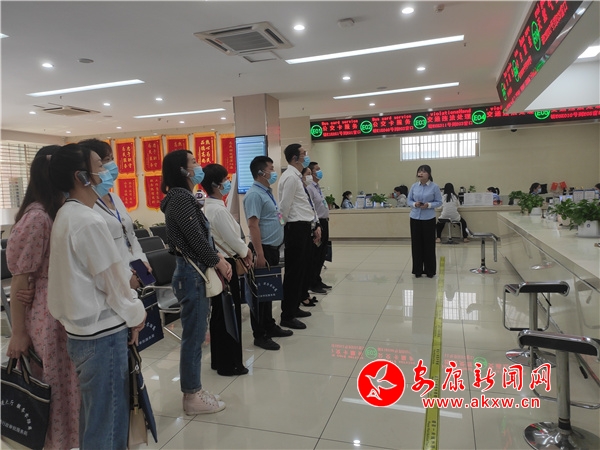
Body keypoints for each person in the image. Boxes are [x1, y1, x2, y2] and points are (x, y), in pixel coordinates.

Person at [47, 143, 146, 449]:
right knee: (108, 425)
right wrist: (136, 314)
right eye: (100, 166)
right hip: (102, 336)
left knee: (96, 419)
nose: (107, 171)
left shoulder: (69, 214)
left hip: (83, 334)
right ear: (81, 176)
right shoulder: (87, 220)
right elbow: (112, 283)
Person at [5, 145, 80, 450]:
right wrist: (19, 333)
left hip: (61, 307)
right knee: (54, 387)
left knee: (66, 386)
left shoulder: (60, 210)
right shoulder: (38, 217)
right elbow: (20, 278)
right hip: (47, 316)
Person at [160, 149, 230, 414]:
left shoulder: (183, 197)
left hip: (194, 271)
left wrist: (216, 256)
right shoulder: (180, 198)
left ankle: (195, 390)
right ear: (182, 170)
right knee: (194, 337)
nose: (199, 166)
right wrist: (218, 261)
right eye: (194, 162)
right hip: (191, 274)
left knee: (197, 334)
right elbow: (196, 240)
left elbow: (200, 237)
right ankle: (192, 396)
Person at [200, 163, 252, 375]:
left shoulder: (207, 207)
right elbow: (233, 238)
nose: (228, 183)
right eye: (225, 180)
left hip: (218, 263)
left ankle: (219, 360)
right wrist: (246, 252)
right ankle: (229, 364)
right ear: (216, 185)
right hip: (227, 264)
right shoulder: (218, 210)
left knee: (220, 314)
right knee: (229, 313)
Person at [79, 139, 151, 277]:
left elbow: (130, 235)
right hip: (115, 275)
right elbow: (99, 253)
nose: (112, 164)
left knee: (148, 288)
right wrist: (126, 275)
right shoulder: (87, 205)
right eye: (105, 160)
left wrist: (142, 261)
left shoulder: (115, 198)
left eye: (112, 158)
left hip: (135, 265)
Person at [243, 156, 294, 350]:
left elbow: (275, 216)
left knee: (269, 292)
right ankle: (260, 335)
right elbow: (252, 225)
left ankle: (270, 326)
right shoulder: (254, 195)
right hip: (262, 250)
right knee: (260, 295)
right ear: (260, 172)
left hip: (272, 249)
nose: (273, 172)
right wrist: (259, 253)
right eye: (271, 169)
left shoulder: (267, 192)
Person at [278, 143, 321, 329]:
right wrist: (284, 228)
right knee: (293, 273)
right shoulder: (290, 177)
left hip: (303, 227)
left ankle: (294, 307)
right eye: (304, 153)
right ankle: (287, 315)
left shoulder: (296, 177)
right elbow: (283, 207)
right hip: (295, 228)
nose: (306, 156)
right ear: (295, 158)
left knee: (301, 271)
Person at [407, 165, 443, 278]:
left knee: (429, 245)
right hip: (415, 218)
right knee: (416, 244)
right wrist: (415, 204)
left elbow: (439, 202)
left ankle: (430, 270)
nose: (421, 173)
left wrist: (429, 205)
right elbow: (409, 200)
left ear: (429, 174)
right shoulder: (414, 186)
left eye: (423, 171)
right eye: (419, 171)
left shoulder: (434, 187)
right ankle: (417, 270)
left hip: (428, 218)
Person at [306, 161, 332, 295]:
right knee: (315, 255)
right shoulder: (310, 188)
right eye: (317, 169)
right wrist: (316, 225)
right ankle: (312, 283)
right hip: (317, 224)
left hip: (324, 221)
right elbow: (311, 208)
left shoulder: (317, 187)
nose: (320, 171)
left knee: (322, 254)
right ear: (311, 172)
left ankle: (318, 279)